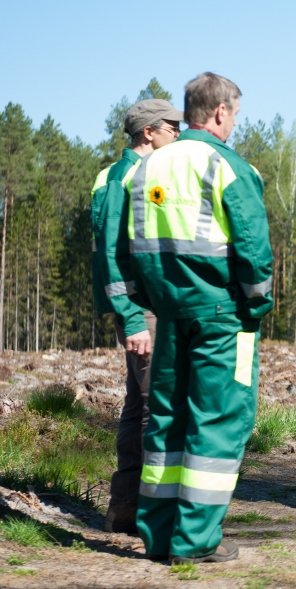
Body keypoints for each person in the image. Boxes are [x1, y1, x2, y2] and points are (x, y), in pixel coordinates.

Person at [106, 72, 274, 562]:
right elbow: (253, 249)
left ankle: (159, 535)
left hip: (168, 314)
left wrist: (138, 306)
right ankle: (196, 541)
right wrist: (256, 306)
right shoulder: (228, 165)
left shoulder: (146, 167)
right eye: (235, 113)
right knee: (217, 421)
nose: (235, 121)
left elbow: (120, 250)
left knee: (167, 421)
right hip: (223, 316)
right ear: (221, 111)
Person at [91, 98, 182, 534]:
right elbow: (110, 254)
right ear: (149, 132)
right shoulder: (124, 176)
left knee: (138, 404)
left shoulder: (144, 172)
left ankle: (126, 507)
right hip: (140, 308)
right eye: (171, 127)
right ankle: (154, 514)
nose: (178, 133)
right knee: (158, 404)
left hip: (152, 305)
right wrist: (130, 317)